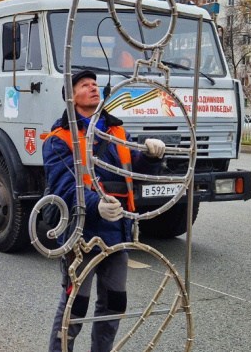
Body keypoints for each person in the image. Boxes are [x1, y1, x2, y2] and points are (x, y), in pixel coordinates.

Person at [43, 69, 165, 352]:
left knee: (114, 304)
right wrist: (95, 204)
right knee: (75, 307)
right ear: (71, 97)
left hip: (117, 232)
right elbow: (62, 188)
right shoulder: (59, 139)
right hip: (81, 234)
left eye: (96, 84)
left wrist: (151, 157)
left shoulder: (117, 131)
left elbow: (136, 171)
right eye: (85, 85)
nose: (94, 88)